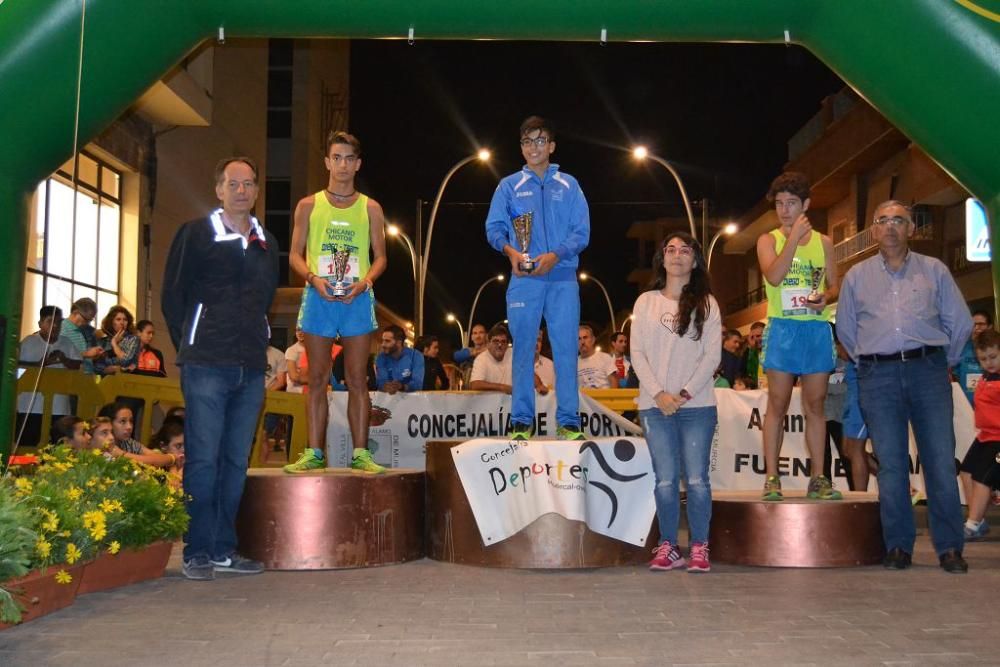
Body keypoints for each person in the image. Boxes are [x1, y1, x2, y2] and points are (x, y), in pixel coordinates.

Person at [837, 199, 972, 573]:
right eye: (883, 220)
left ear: (911, 229)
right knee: (892, 466)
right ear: (874, 231)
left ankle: (949, 548)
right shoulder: (856, 277)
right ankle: (898, 546)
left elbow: (959, 323)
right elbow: (847, 332)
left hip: (928, 371)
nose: (891, 226)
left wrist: (944, 361)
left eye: (900, 220)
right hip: (877, 377)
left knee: (940, 463)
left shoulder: (935, 270)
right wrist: (869, 362)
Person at [162, 155, 279, 580]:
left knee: (235, 460)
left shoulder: (267, 242)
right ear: (219, 189)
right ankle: (197, 550)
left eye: (249, 184)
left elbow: (265, 300)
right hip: (206, 365)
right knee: (203, 460)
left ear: (256, 191)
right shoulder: (195, 234)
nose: (242, 191)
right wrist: (191, 344)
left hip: (250, 367)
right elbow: (173, 298)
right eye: (234, 183)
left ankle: (224, 550)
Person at [283, 131, 386, 475]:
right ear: (327, 162)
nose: (342, 165)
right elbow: (294, 256)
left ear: (358, 164)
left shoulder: (371, 208)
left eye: (349, 159)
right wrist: (313, 279)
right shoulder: (308, 205)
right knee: (317, 378)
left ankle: (361, 453)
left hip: (356, 298)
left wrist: (365, 282)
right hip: (319, 295)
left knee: (358, 378)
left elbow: (381, 257)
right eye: (336, 158)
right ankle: (315, 452)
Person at [485, 115, 590, 441]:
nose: (534, 147)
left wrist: (556, 255)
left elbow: (581, 231)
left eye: (541, 140)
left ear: (552, 146)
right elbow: (494, 228)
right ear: (521, 147)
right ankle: (521, 421)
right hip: (524, 278)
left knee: (564, 351)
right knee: (524, 349)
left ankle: (569, 421)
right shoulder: (508, 186)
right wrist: (512, 253)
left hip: (562, 278)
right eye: (528, 141)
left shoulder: (569, 185)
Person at [632, 232, 721, 573]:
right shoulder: (646, 302)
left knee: (697, 479)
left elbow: (712, 356)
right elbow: (636, 353)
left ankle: (700, 545)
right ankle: (669, 545)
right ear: (662, 258)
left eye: (685, 250)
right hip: (655, 406)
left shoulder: (708, 304)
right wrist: (658, 394)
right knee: (665, 480)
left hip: (696, 406)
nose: (678, 255)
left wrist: (682, 395)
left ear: (695, 260)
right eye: (670, 249)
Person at [756, 171, 840, 502]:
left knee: (815, 404)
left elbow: (833, 284)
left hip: (816, 328)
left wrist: (826, 296)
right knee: (777, 404)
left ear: (805, 204)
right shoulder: (768, 240)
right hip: (782, 329)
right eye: (779, 204)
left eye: (791, 203)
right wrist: (791, 239)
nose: (784, 210)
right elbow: (775, 276)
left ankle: (819, 478)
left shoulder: (825, 243)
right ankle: (772, 478)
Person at [16, 305, 81, 447]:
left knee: (56, 446)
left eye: (58, 322)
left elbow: (78, 365)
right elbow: (15, 367)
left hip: (59, 407)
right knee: (28, 444)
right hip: (30, 406)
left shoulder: (67, 343)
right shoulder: (29, 342)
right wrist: (39, 364)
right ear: (40, 324)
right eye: (50, 321)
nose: (55, 326)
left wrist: (64, 359)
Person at [959, 329, 1000, 541]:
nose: (988, 363)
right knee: (966, 473)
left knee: (982, 479)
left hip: (998, 439)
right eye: (983, 359)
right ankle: (979, 520)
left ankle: (972, 524)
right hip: (985, 436)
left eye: (993, 357)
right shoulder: (986, 377)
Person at [97, 402, 177, 468]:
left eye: (131, 421)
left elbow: (155, 458)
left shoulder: (128, 442)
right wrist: (173, 458)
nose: (129, 427)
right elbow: (152, 462)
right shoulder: (102, 446)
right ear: (109, 423)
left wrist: (172, 459)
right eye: (122, 421)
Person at [955, 309, 992, 405]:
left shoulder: (996, 348)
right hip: (967, 405)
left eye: (981, 324)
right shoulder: (961, 348)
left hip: (992, 403)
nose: (976, 328)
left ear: (989, 327)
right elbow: (955, 375)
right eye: (973, 325)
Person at [374, 325, 424, 394]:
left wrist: (401, 386)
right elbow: (381, 382)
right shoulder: (381, 357)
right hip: (388, 400)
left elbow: (418, 384)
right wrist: (386, 386)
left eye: (387, 341)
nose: (383, 344)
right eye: (383, 340)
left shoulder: (415, 356)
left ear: (399, 342)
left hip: (413, 401)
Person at [60, 297, 104, 374]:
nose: (87, 323)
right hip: (70, 378)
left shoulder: (85, 331)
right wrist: (86, 354)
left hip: (87, 377)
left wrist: (94, 354)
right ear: (75, 312)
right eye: (86, 319)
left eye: (90, 320)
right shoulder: (61, 329)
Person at [95, 305, 140, 375]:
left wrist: (114, 344)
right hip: (105, 380)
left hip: (125, 381)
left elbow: (125, 361)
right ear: (111, 322)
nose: (122, 322)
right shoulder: (103, 342)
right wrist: (108, 369)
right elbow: (97, 366)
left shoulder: (133, 339)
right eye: (118, 319)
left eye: (125, 320)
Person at [469, 324, 513, 394]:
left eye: (503, 341)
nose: (499, 345)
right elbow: (475, 384)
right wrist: (502, 387)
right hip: (490, 403)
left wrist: (537, 383)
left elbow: (527, 371)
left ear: (507, 345)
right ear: (488, 343)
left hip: (512, 401)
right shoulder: (481, 359)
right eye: (496, 341)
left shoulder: (513, 354)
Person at [577, 324, 617, 389]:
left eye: (585, 337)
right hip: (583, 399)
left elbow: (614, 383)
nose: (582, 342)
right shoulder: (573, 364)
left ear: (593, 340)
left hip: (603, 398)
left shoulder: (605, 358)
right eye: (579, 339)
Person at [284, 328, 307, 393]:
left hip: (311, 392)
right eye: (298, 330)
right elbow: (293, 376)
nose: (300, 333)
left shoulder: (314, 350)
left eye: (303, 330)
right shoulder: (292, 350)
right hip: (295, 393)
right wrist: (317, 380)